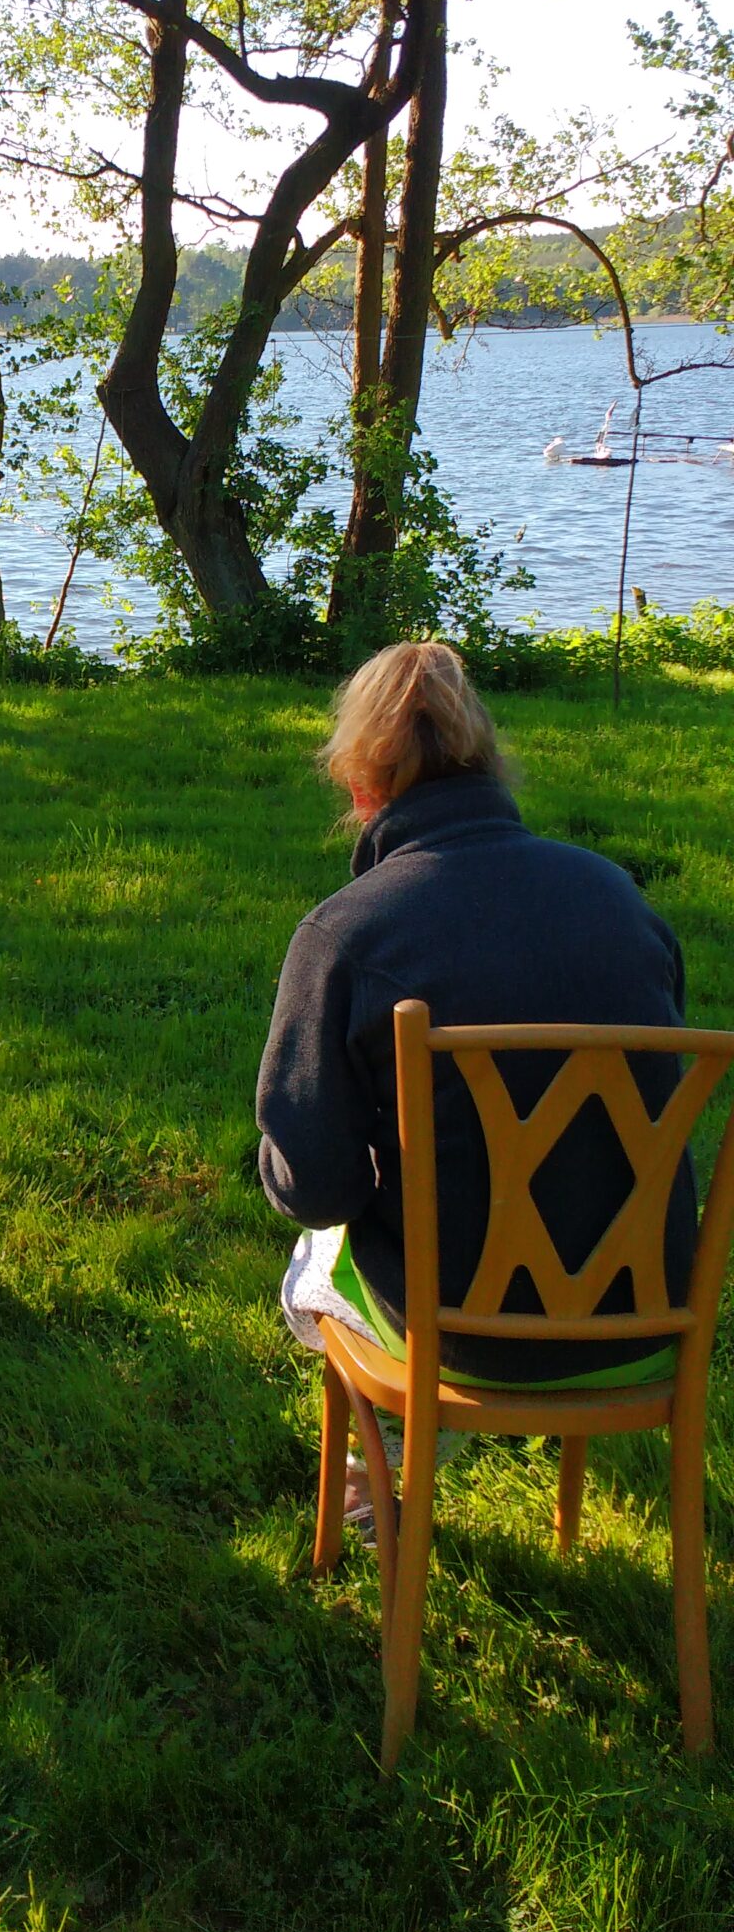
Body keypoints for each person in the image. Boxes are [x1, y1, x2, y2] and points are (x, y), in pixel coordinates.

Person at [256, 639, 693, 1531]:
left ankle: (381, 1460)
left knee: (317, 1256)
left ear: (360, 784)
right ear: (491, 763)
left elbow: (315, 1189)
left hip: (459, 1335)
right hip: (644, 1324)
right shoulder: (619, 899)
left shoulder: (347, 933)